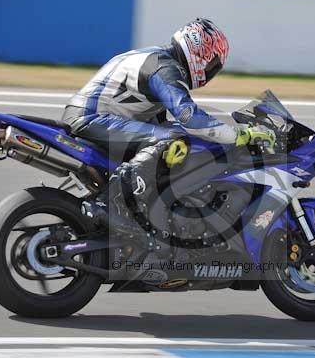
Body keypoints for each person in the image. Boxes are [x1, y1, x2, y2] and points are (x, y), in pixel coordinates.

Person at [62, 18, 275, 246]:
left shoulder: (158, 59)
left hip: (101, 118)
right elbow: (189, 117)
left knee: (174, 138)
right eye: (211, 64)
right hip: (91, 118)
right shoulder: (164, 68)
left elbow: (161, 121)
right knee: (171, 139)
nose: (210, 71)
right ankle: (107, 203)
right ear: (199, 52)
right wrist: (239, 135)